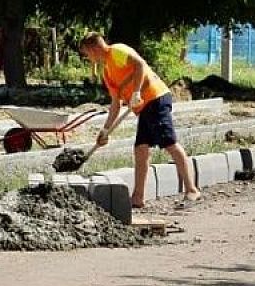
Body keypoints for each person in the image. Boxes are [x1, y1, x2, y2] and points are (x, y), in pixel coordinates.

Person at [79, 32, 200, 209]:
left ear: (94, 48)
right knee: (141, 148)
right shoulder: (107, 72)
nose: (88, 58)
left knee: (169, 143)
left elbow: (140, 65)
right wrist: (105, 130)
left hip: (156, 97)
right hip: (144, 107)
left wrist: (136, 92)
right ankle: (138, 197)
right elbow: (115, 104)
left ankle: (192, 189)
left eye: (87, 53)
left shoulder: (117, 51)